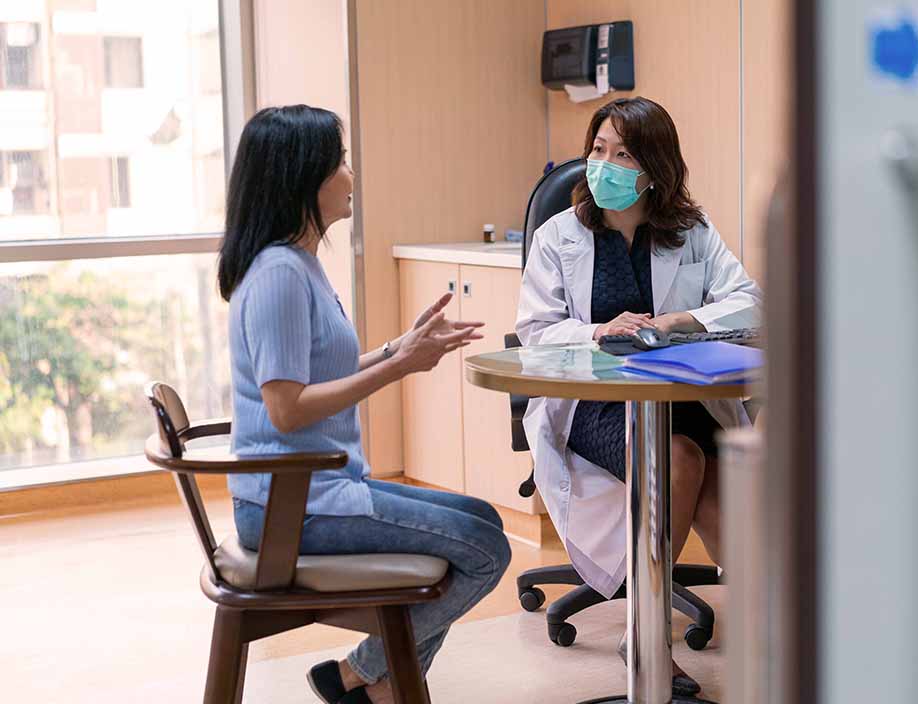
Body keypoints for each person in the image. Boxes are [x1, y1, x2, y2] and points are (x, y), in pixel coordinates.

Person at [217, 105, 511, 704]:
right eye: (342, 163)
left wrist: (392, 350)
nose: (351, 176)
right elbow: (287, 409)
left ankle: (371, 683)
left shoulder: (297, 264)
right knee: (487, 551)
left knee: (485, 518)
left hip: (315, 493)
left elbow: (309, 376)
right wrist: (400, 368)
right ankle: (364, 676)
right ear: (307, 179)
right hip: (292, 510)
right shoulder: (279, 273)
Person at [516, 96, 763, 695]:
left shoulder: (691, 233)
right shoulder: (560, 235)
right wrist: (599, 330)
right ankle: (646, 639)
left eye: (622, 154)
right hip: (594, 402)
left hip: (682, 395)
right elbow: (535, 332)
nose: (604, 165)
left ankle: (777, 653)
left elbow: (750, 300)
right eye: (597, 151)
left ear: (654, 168)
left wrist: (682, 319)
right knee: (680, 461)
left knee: (727, 501)